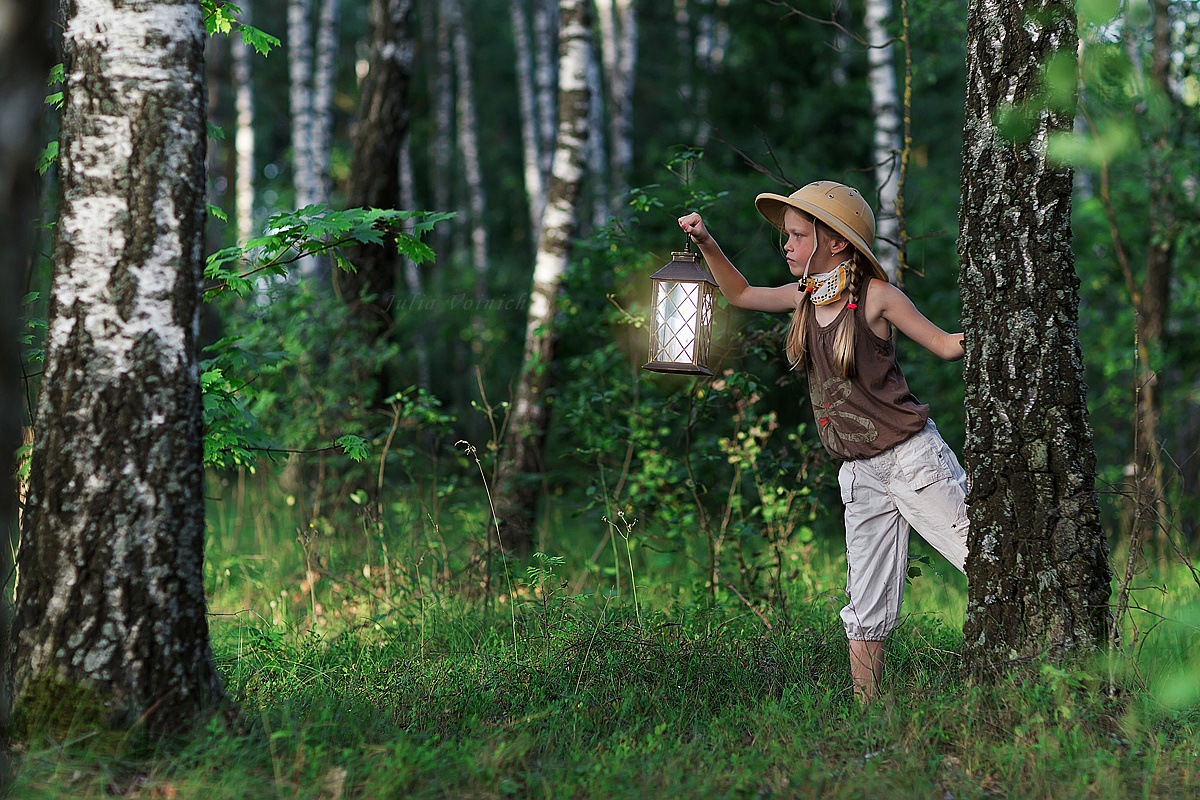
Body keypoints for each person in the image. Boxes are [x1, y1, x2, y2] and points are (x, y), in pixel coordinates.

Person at [677, 180, 969, 702]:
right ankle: (868, 714)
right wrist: (705, 242)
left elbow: (947, 346)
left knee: (984, 555)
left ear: (835, 240)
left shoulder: (877, 296)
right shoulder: (806, 297)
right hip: (858, 473)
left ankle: (1050, 664)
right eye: (785, 237)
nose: (785, 246)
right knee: (865, 602)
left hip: (912, 460)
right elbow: (740, 294)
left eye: (795, 235)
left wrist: (1007, 326)